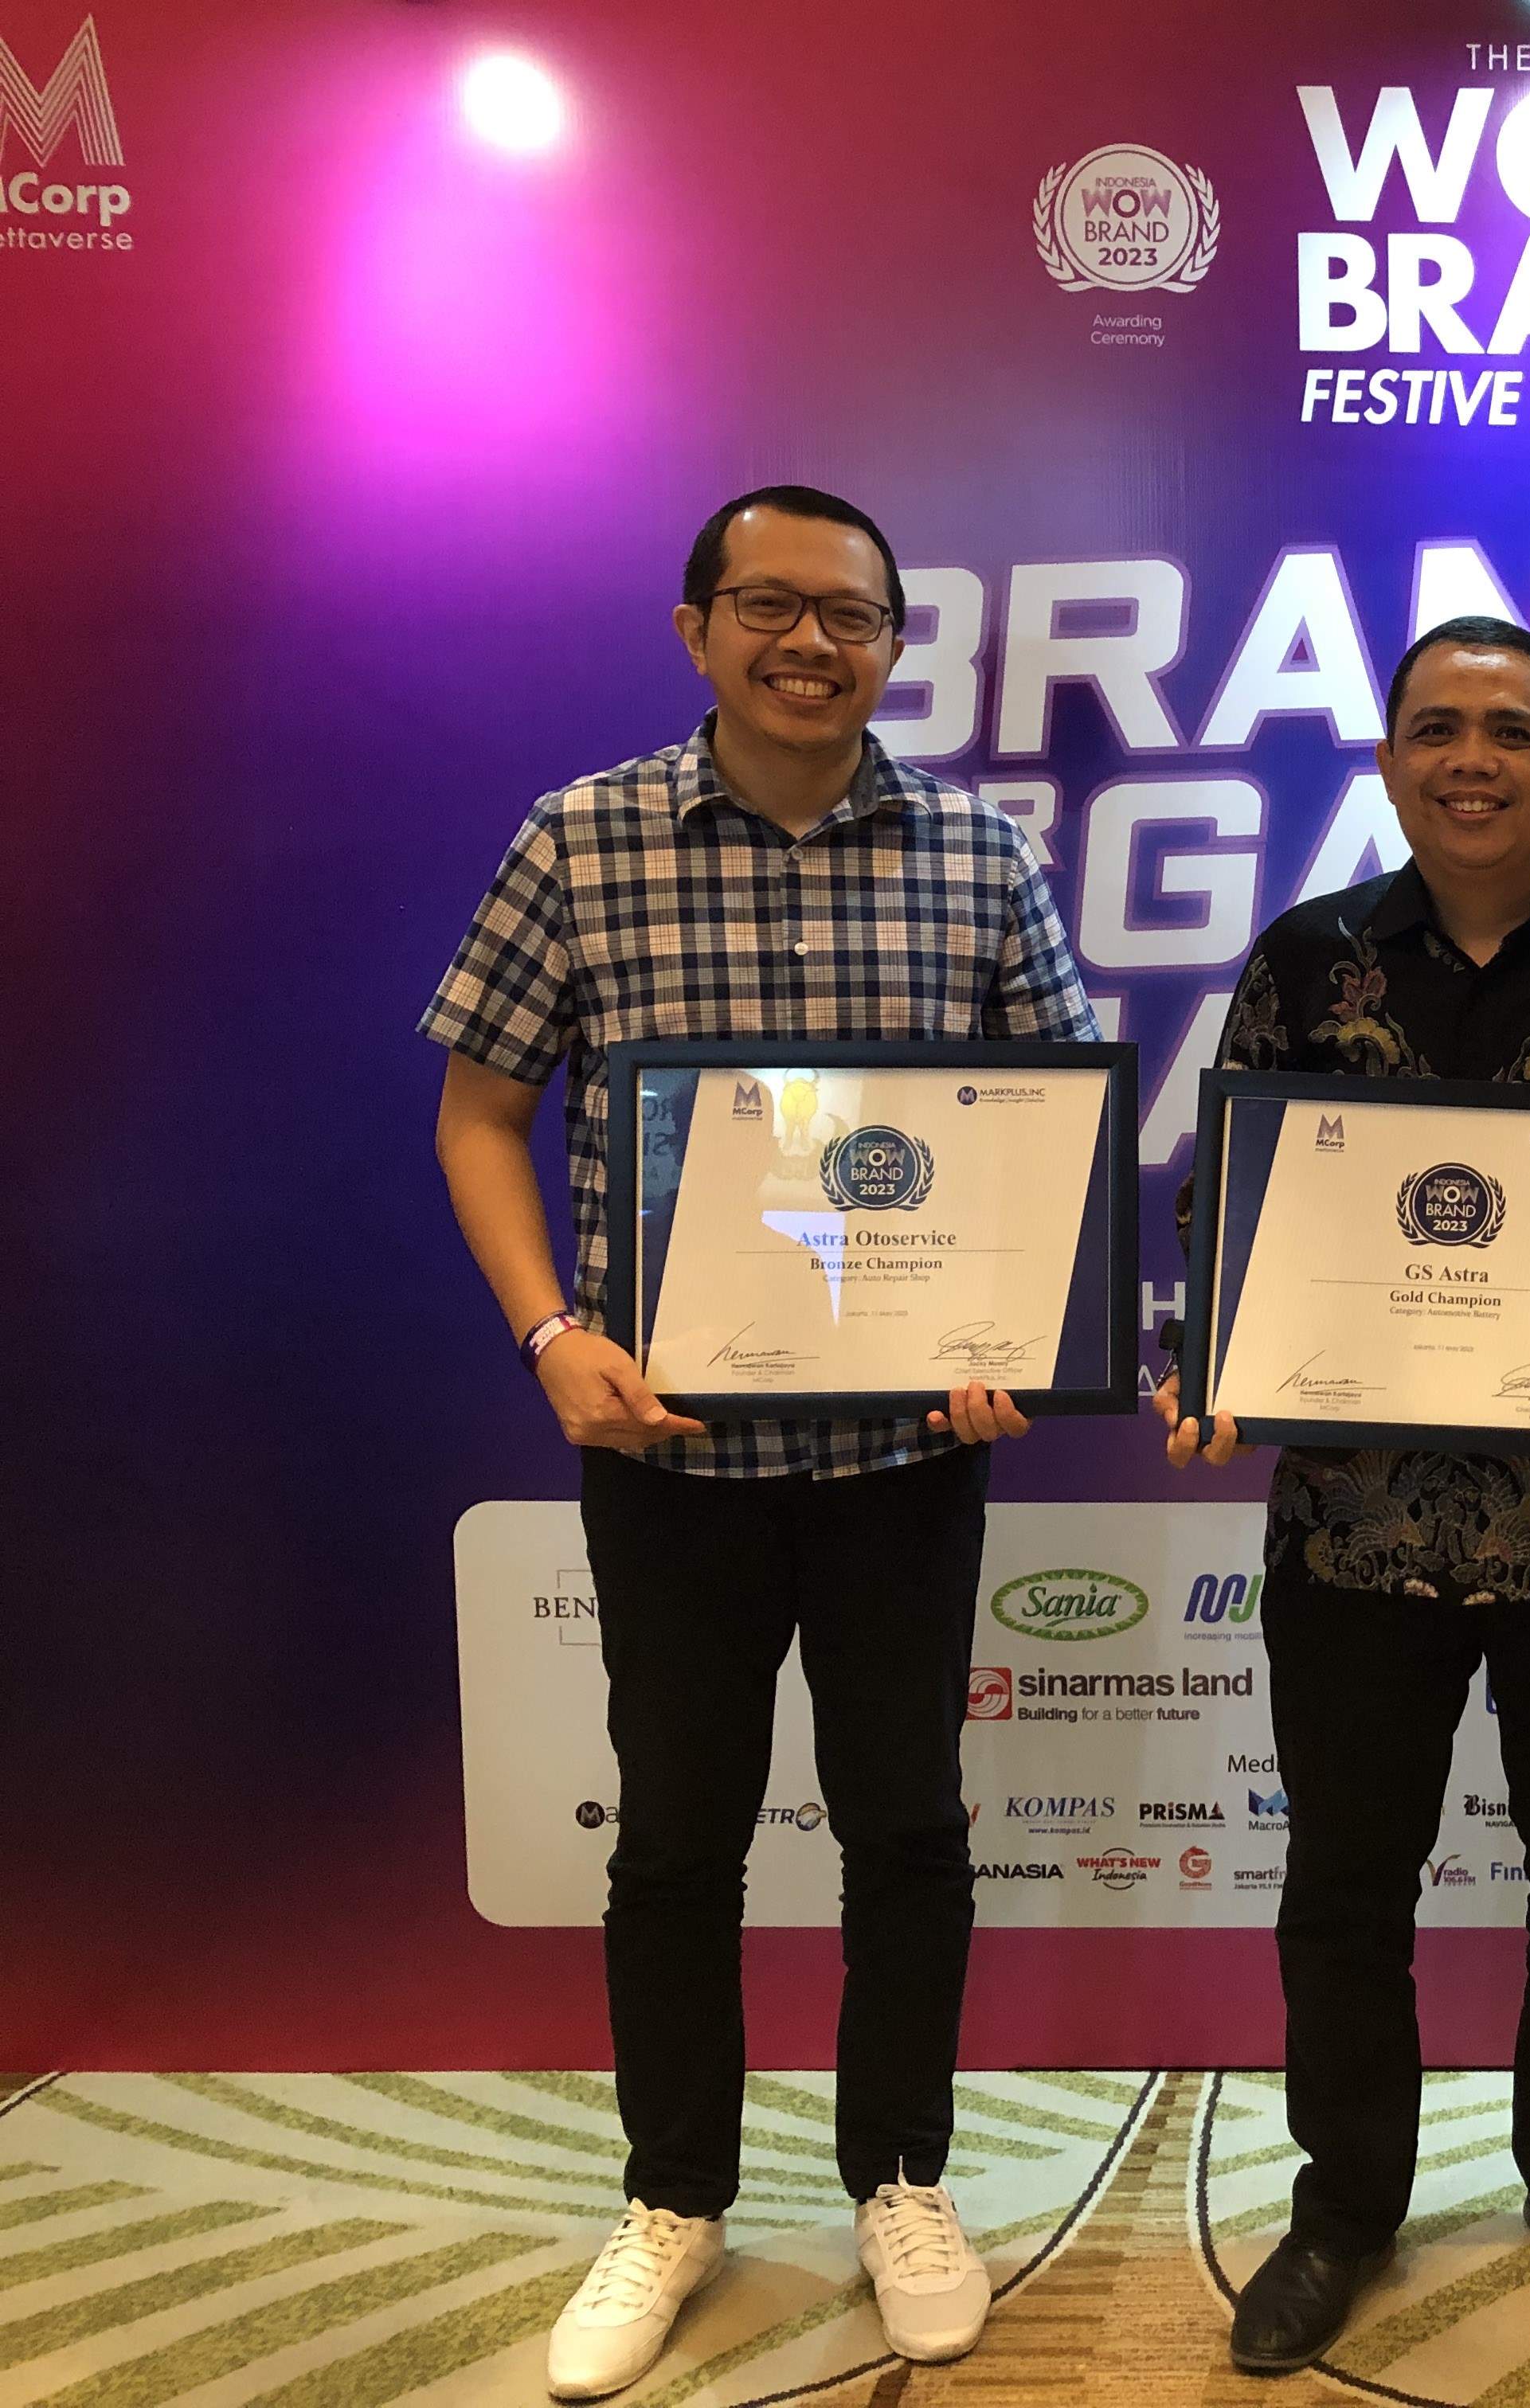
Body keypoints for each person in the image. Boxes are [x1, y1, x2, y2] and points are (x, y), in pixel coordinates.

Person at [423, 485, 1097, 2401]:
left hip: (901, 1460)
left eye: (851, 615)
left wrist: (1019, 1341)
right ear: (696, 626)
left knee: (908, 1827)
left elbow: (1050, 1133)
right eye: (770, 606)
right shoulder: (580, 837)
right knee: (677, 1837)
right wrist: (549, 1333)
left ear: (895, 640)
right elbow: (479, 1114)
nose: (811, 644)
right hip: (671, 1458)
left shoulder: (979, 853)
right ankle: (673, 2197)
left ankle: (899, 2177)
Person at [1156, 616, 1530, 2373]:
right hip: (1358, 1529)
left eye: (1507, 730)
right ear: (1387, 762)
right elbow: (1223, 1204)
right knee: (1346, 1887)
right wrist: (1215, 1360)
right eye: (1435, 729)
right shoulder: (1305, 958)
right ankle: (1345, 2207)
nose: (1469, 760)